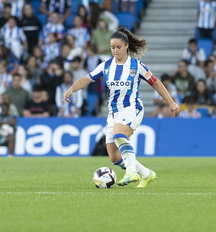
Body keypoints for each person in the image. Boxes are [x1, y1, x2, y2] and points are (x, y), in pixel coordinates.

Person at [63, 27, 181, 188]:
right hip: (113, 113)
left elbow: (155, 83)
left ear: (126, 46)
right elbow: (87, 78)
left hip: (132, 108)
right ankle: (146, 174)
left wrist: (171, 102)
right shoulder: (106, 65)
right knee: (114, 157)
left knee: (119, 134)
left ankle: (131, 171)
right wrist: (72, 89)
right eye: (112, 47)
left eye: (118, 47)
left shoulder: (136, 65)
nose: (115, 50)